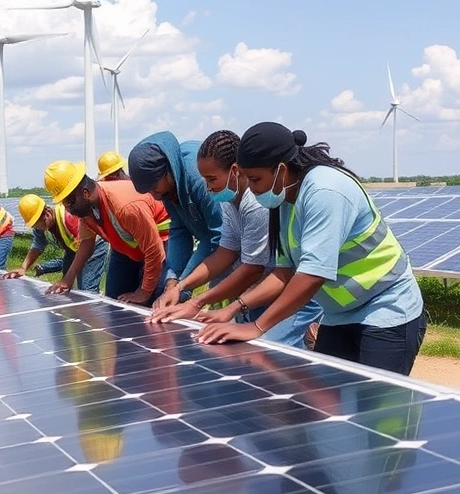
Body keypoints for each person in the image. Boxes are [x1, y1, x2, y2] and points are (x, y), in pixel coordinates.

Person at [196, 122, 427, 376]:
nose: (251, 188)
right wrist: (231, 310)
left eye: (255, 179)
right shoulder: (285, 199)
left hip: (386, 308)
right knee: (328, 398)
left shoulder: (324, 190)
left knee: (378, 408)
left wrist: (257, 327)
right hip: (339, 315)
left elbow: (312, 274)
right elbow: (284, 273)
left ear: (282, 169)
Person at [147, 130, 323, 349]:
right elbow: (225, 252)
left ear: (235, 171)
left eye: (212, 179)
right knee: (249, 355)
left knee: (269, 355)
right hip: (260, 293)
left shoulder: (256, 203)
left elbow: (253, 269)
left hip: (290, 296)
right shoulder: (228, 200)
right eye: (204, 180)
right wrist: (180, 287)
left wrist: (198, 303)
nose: (208, 187)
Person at [43, 160, 171, 305]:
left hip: (162, 243)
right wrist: (68, 278)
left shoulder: (126, 207)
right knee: (114, 301)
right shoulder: (87, 210)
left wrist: (144, 292)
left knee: (154, 303)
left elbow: (154, 250)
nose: (69, 210)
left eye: (70, 203)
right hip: (126, 248)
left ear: (85, 193)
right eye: (64, 204)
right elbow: (87, 242)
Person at [127, 131, 223, 309]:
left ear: (168, 170)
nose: (154, 196)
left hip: (239, 252)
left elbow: (218, 239)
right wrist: (172, 279)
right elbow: (179, 230)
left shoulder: (199, 179)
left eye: (155, 188)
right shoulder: (169, 188)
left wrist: (181, 286)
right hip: (218, 248)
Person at [3, 194, 108, 293]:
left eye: (37, 223)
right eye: (33, 224)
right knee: (64, 286)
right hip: (72, 248)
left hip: (93, 245)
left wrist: (69, 278)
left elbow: (85, 246)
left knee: (86, 287)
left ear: (47, 213)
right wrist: (23, 268)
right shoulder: (40, 225)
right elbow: (38, 245)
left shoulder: (68, 217)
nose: (37, 227)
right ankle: (70, 310)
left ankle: (92, 307)